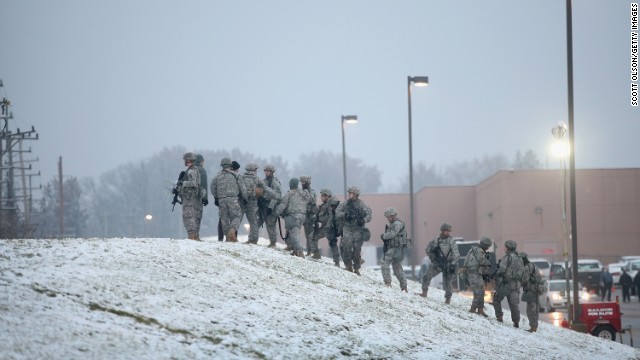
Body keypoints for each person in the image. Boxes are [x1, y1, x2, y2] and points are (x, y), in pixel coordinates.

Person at [335, 186, 372, 275]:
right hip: (347, 228)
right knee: (346, 247)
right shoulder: (345, 204)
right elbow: (337, 212)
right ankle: (348, 265)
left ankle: (356, 267)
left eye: (351, 193)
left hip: (358, 229)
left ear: (355, 194)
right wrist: (345, 215)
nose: (349, 194)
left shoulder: (362, 204)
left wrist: (363, 220)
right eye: (349, 193)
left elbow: (369, 215)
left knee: (356, 249)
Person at [420, 223, 460, 304]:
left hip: (448, 264)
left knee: (447, 282)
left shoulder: (451, 242)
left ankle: (447, 299)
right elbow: (428, 249)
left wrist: (453, 264)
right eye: (446, 231)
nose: (448, 233)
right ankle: (424, 292)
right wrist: (433, 258)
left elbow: (457, 255)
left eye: (449, 231)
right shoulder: (436, 240)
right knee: (426, 276)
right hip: (438, 263)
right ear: (442, 231)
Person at [211, 157, 248, 242]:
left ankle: (228, 238)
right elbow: (242, 188)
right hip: (233, 199)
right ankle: (232, 230)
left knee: (224, 219)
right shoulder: (236, 175)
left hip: (221, 200)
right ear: (230, 165)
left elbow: (213, 188)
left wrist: (216, 197)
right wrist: (246, 198)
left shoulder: (217, 176)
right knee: (237, 216)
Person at [492, 240, 524, 328]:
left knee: (496, 299)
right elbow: (522, 271)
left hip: (505, 285)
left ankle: (499, 317)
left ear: (507, 248)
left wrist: (497, 275)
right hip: (515, 285)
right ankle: (516, 322)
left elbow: (501, 269)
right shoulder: (520, 258)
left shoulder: (507, 258)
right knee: (514, 305)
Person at [274, 178, 310, 258]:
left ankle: (300, 251)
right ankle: (294, 250)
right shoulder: (302, 193)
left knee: (294, 234)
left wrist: (276, 212)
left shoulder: (289, 194)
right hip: (302, 216)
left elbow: (283, 205)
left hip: (293, 216)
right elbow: (307, 200)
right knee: (294, 232)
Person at [461, 237, 492, 316]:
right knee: (478, 292)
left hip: (475, 274)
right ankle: (473, 308)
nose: (488, 247)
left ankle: (480, 309)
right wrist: (488, 262)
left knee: (481, 291)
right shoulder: (479, 251)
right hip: (474, 274)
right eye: (487, 246)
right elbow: (482, 261)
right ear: (484, 245)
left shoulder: (473, 249)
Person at [379, 207, 408, 292]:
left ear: (392, 216)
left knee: (385, 263)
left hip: (396, 248)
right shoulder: (394, 224)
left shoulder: (397, 224)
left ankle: (388, 283)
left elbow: (393, 234)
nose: (387, 219)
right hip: (395, 248)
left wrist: (384, 236)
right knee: (397, 267)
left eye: (388, 217)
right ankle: (404, 287)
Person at [310, 189, 340, 265]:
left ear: (327, 196)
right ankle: (316, 254)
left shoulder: (330, 205)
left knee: (332, 244)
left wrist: (328, 226)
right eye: (321, 196)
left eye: (323, 196)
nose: (321, 197)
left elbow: (330, 216)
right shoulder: (325, 205)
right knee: (312, 237)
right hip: (325, 227)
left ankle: (337, 261)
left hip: (329, 228)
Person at [176, 152, 202, 240]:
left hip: (189, 197)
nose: (184, 161)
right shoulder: (193, 170)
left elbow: (193, 183)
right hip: (190, 196)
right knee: (190, 216)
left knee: (188, 216)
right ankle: (193, 235)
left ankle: (192, 236)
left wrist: (183, 183)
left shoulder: (191, 171)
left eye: (185, 160)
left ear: (189, 160)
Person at [257, 164, 282, 248]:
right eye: (265, 171)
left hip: (271, 207)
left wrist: (270, 207)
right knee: (256, 222)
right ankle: (253, 238)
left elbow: (277, 196)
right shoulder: (264, 181)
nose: (266, 173)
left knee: (270, 225)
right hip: (262, 206)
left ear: (272, 172)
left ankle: (273, 242)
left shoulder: (275, 183)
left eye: (268, 171)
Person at [518, 252, 543, 332]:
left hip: (531, 290)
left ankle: (533, 327)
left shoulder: (526, 268)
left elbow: (524, 280)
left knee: (530, 310)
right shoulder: (533, 266)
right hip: (536, 290)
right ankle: (534, 326)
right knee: (534, 310)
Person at [240, 163, 264, 244]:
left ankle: (232, 237)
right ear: (253, 170)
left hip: (242, 202)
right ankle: (253, 239)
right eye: (255, 170)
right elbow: (262, 188)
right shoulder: (257, 179)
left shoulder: (242, 178)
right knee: (253, 221)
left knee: (237, 219)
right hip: (252, 202)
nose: (256, 171)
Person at [299, 176, 318, 256]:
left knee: (310, 235)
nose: (302, 184)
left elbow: (313, 201)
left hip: (310, 216)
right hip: (303, 214)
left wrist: (307, 194)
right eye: (301, 182)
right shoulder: (300, 191)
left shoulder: (312, 192)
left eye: (304, 182)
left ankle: (312, 251)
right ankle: (308, 251)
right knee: (305, 234)